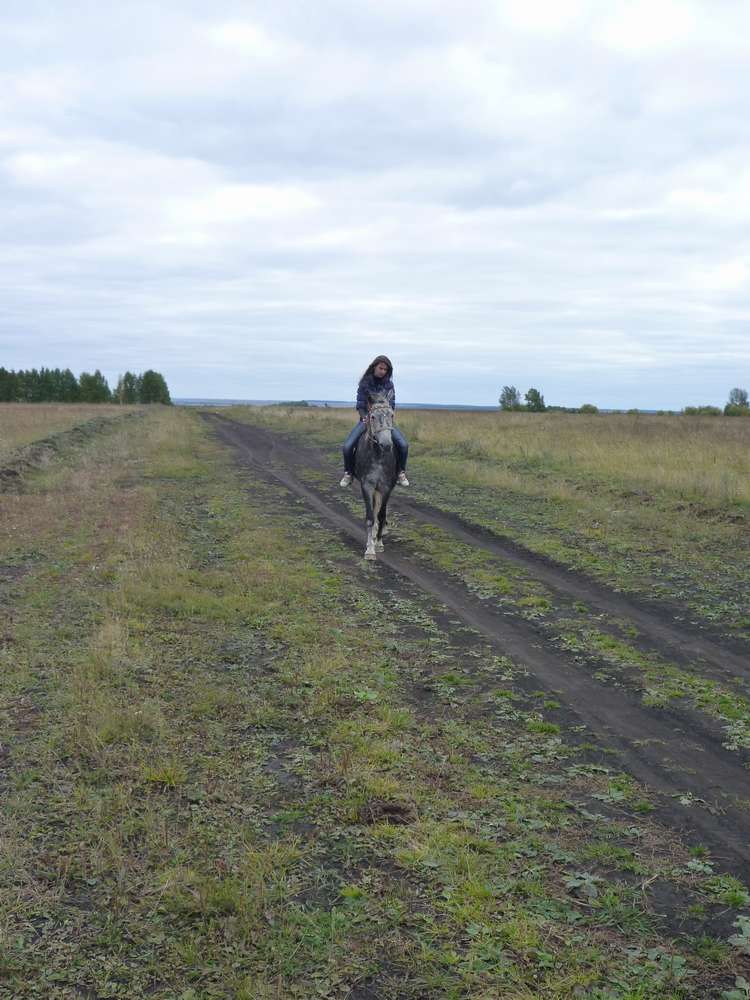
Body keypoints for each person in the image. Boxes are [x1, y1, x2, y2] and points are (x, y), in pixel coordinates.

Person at [339, 355, 409, 487]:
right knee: (347, 446)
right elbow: (360, 405)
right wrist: (365, 417)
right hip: (366, 420)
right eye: (381, 368)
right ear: (374, 367)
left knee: (404, 445)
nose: (383, 371)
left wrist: (388, 415)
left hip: (385, 421)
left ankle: (400, 472)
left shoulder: (389, 385)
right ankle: (348, 473)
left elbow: (392, 404)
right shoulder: (364, 383)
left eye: (385, 369)